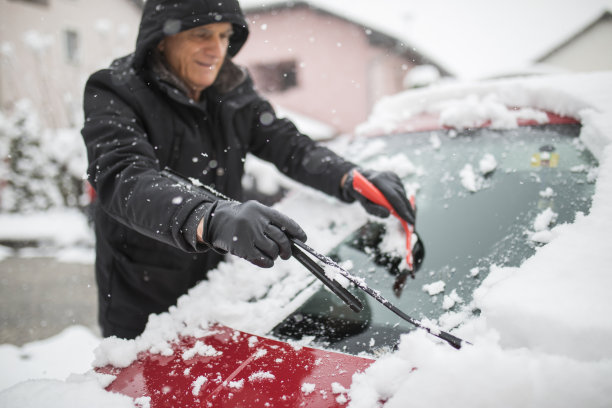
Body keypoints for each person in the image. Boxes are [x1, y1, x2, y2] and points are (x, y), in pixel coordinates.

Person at [81, 0, 415, 339]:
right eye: (202, 34)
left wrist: (349, 177)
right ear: (162, 38)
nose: (217, 49)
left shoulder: (233, 90)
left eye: (225, 36)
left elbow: (289, 145)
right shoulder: (115, 90)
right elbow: (123, 176)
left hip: (219, 288)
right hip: (143, 294)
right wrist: (210, 218)